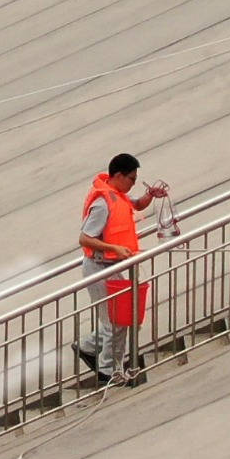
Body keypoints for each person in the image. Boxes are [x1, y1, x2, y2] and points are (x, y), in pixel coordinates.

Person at [75, 153, 167, 383]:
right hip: (98, 268)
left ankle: (88, 346)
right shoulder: (102, 203)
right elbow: (85, 238)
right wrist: (114, 248)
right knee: (114, 321)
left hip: (110, 266)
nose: (134, 183)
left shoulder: (118, 195)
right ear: (118, 175)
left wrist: (149, 196)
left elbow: (136, 204)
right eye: (132, 179)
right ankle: (110, 371)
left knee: (120, 318)